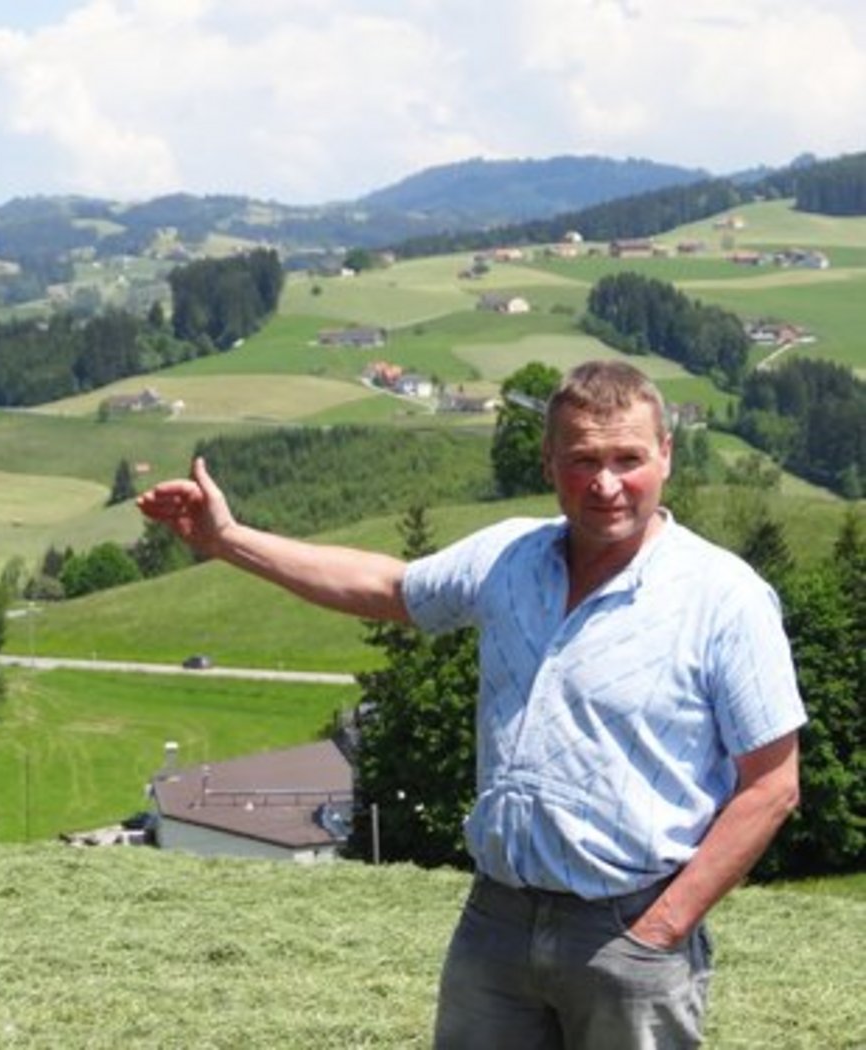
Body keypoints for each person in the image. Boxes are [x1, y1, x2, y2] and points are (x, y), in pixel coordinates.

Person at [137, 360, 804, 1049]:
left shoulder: (724, 597)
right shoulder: (508, 557)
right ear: (549, 463)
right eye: (582, 460)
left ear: (665, 454)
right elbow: (387, 587)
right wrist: (227, 540)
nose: (606, 483)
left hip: (630, 926)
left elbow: (773, 786)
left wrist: (660, 931)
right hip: (497, 920)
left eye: (627, 458)